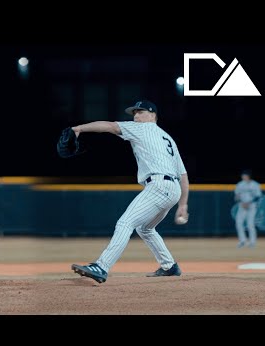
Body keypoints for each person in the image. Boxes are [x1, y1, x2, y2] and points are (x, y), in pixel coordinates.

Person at [70, 100, 190, 283]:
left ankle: (101, 266)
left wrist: (79, 128)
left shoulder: (143, 128)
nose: (135, 116)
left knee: (125, 223)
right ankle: (169, 266)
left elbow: (109, 126)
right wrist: (183, 204)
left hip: (159, 185)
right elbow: (183, 175)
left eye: (140, 112)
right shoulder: (168, 139)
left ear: (152, 115)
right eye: (134, 113)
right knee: (145, 228)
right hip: (172, 189)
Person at [234, 169, 262, 248]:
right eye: (243, 175)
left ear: (248, 176)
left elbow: (258, 196)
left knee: (250, 224)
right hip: (242, 206)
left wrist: (248, 203)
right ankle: (242, 241)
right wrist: (241, 202)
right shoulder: (240, 184)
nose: (243, 177)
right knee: (238, 223)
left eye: (245, 175)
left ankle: (252, 242)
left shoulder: (255, 184)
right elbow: (237, 195)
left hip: (252, 207)